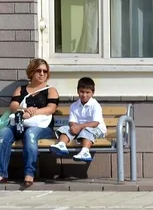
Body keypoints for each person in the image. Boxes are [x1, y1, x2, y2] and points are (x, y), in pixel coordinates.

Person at [0, 58, 59, 186]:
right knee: (4, 134)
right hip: (20, 124)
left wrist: (32, 113)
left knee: (30, 134)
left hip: (41, 127)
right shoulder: (20, 89)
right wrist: (24, 110)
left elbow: (51, 108)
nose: (42, 73)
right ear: (32, 72)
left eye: (45, 71)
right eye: (39, 70)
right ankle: (1, 174)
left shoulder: (51, 90)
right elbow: (13, 106)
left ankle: (29, 173)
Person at [50, 76, 106, 162]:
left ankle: (85, 152)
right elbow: (72, 121)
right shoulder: (74, 106)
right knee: (65, 128)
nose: (84, 95)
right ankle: (61, 144)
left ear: (92, 93)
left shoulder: (95, 105)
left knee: (87, 130)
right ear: (77, 91)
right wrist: (73, 127)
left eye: (88, 92)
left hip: (96, 130)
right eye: (82, 92)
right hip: (79, 129)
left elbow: (95, 123)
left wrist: (79, 127)